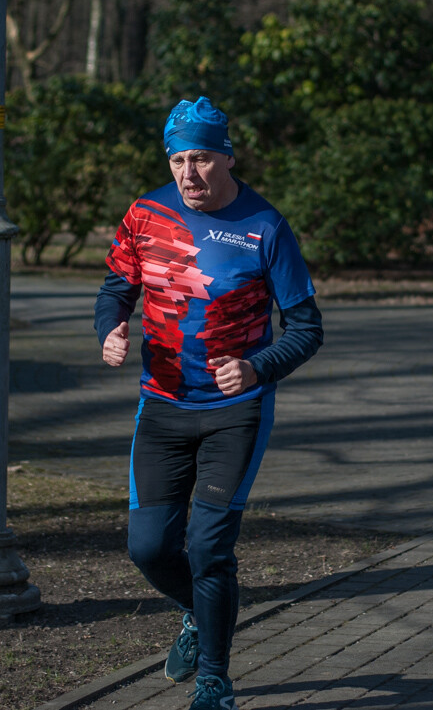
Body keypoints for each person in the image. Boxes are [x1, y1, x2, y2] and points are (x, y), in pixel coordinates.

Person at [95, 97, 323, 710]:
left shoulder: (265, 227)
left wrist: (256, 367)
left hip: (235, 412)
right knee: (147, 547)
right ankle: (199, 616)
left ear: (227, 156)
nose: (188, 174)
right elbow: (116, 286)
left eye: (199, 158)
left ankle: (215, 682)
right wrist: (111, 329)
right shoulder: (145, 214)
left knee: (208, 547)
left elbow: (305, 328)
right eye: (176, 160)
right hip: (162, 406)